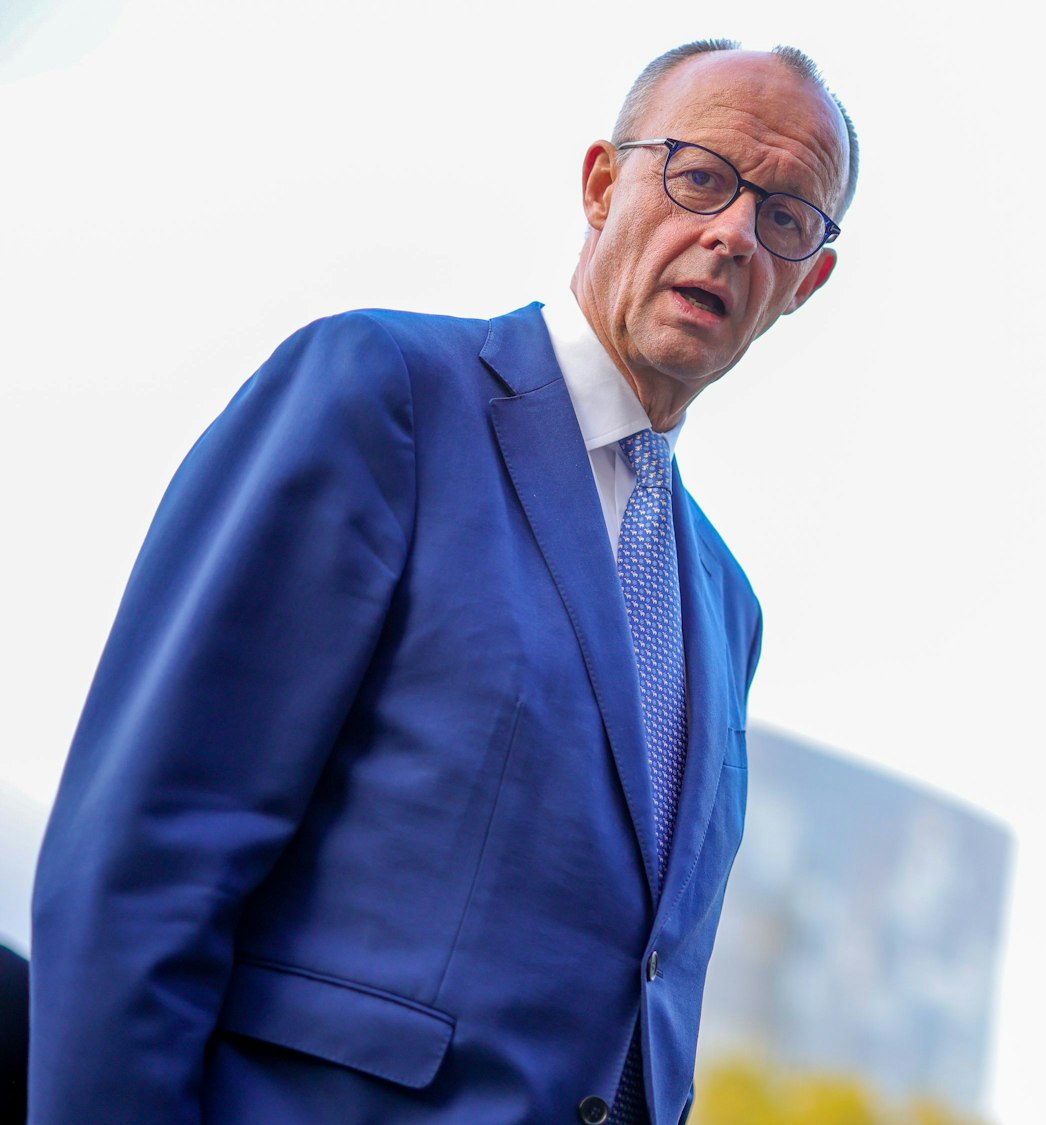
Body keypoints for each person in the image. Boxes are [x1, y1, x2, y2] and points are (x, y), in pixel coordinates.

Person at [30, 39, 855, 1124]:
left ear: (809, 280)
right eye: (700, 175)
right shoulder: (383, 394)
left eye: (786, 217)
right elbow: (147, 854)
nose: (733, 233)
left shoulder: (724, 603)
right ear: (604, 184)